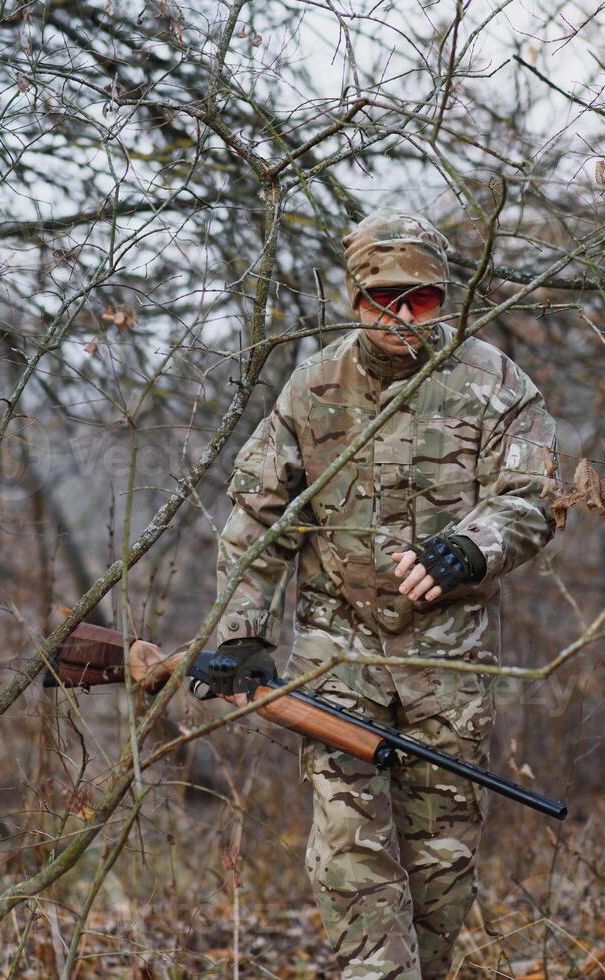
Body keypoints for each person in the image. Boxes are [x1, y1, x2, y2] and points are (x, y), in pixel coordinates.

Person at [212, 206, 559, 978]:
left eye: (422, 299)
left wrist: (468, 547)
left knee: (441, 864)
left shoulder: (494, 382)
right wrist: (242, 632)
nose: (401, 316)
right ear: (355, 298)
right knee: (347, 852)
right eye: (383, 299)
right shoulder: (312, 388)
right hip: (338, 648)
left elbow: (534, 500)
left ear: (444, 299)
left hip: (451, 660)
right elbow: (258, 517)